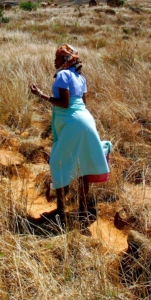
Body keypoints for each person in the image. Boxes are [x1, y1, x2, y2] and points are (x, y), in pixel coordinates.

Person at [29, 44, 110, 225]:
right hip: (86, 120)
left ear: (65, 60)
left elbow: (65, 104)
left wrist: (40, 95)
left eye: (57, 57)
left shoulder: (63, 75)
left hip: (73, 122)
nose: (54, 60)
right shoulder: (81, 78)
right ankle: (82, 211)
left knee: (57, 161)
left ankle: (60, 210)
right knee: (83, 166)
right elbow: (83, 104)